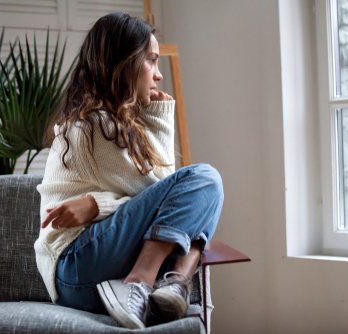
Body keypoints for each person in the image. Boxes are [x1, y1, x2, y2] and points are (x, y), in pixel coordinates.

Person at [34, 12, 224, 330]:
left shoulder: (116, 124)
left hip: (92, 270)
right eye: (151, 61)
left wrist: (98, 204)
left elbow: (168, 205)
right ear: (125, 63)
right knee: (205, 180)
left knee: (198, 200)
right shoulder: (93, 125)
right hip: (77, 265)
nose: (158, 76)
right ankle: (148, 280)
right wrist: (162, 117)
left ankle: (174, 284)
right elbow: (168, 190)